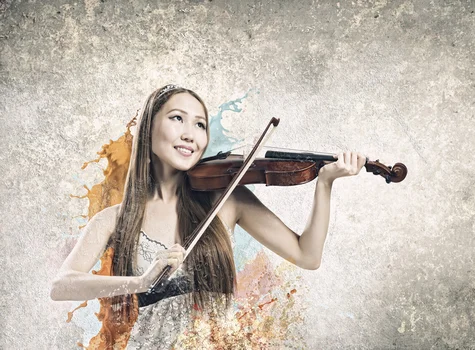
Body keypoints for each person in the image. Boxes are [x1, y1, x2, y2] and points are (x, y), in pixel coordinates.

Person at [50, 84, 366, 348]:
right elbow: (61, 286)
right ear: (149, 127)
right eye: (178, 118)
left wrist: (324, 183)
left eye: (200, 124)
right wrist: (141, 282)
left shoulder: (228, 199)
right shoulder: (114, 219)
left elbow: (307, 256)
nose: (191, 134)